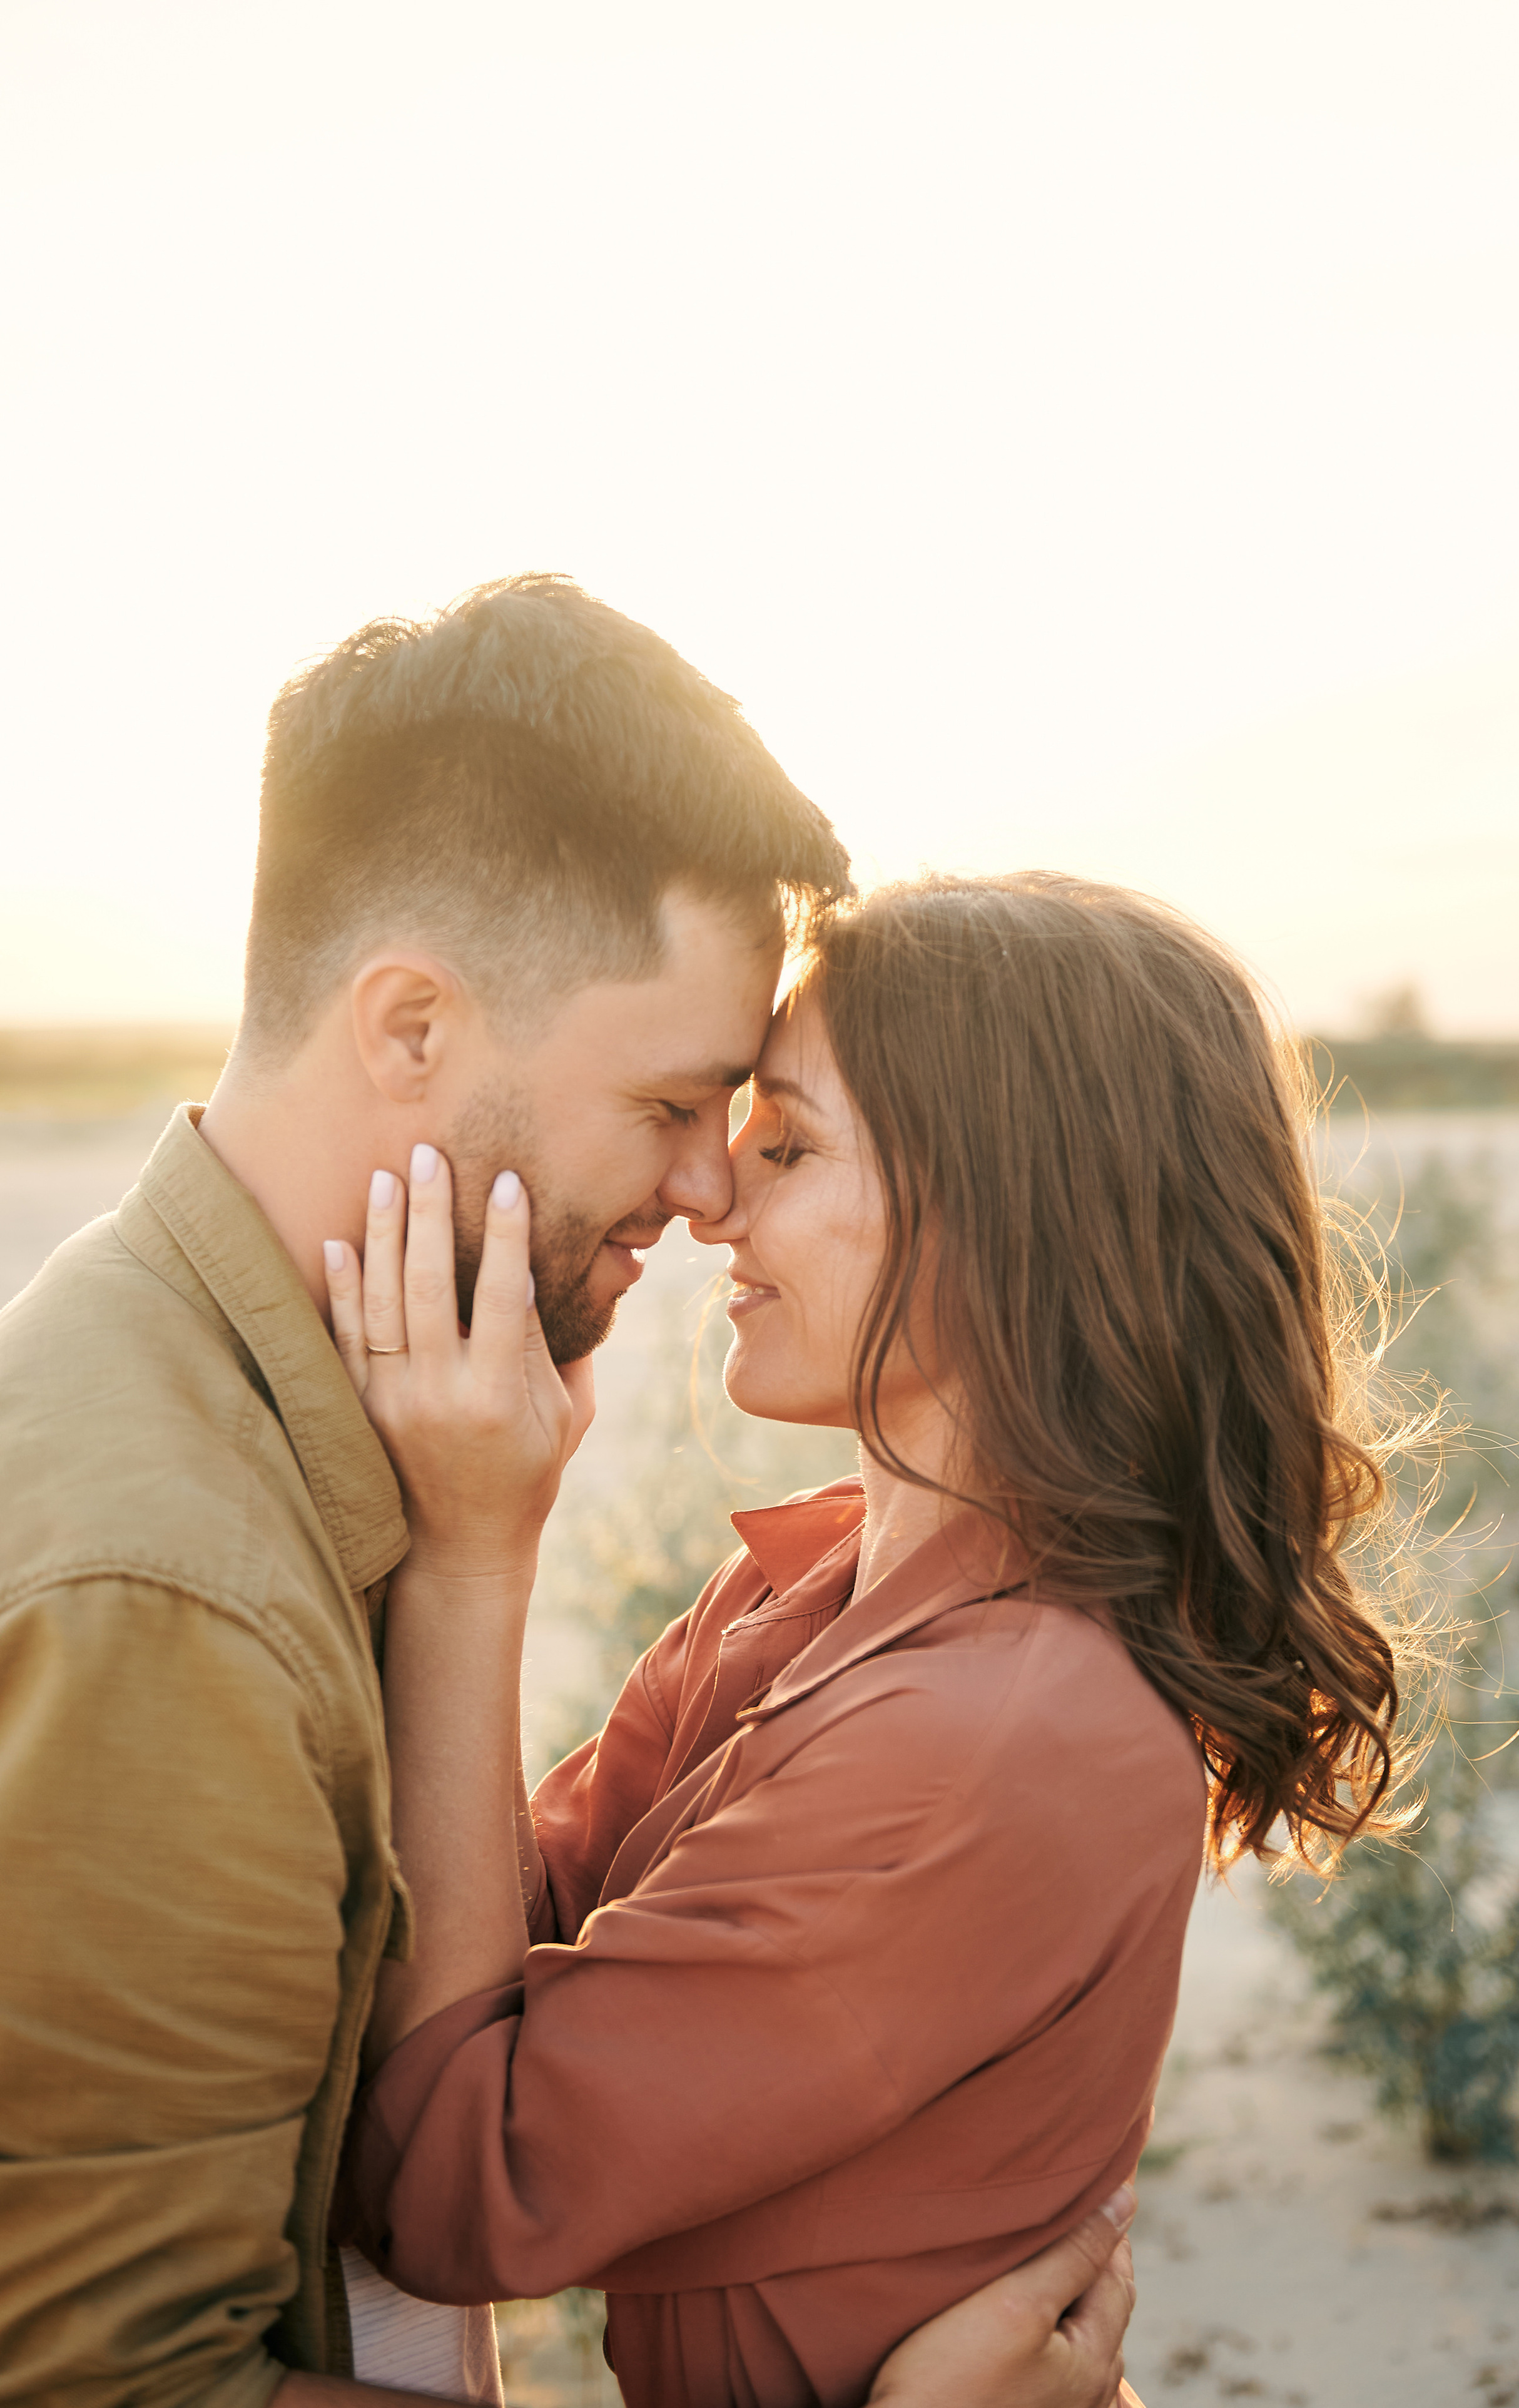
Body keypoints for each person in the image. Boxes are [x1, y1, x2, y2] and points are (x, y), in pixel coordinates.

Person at [0, 580, 1135, 2408]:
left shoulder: (299, 1415)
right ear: (415, 1032)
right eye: (679, 1102)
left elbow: (482, 1977)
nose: (707, 1194)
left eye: (759, 1126)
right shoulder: (170, 1581)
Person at [328, 874, 1411, 2408]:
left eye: (785, 1140)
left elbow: (450, 2175)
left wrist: (470, 1554)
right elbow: (496, 1926)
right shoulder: (816, 1580)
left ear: (1006, 1213)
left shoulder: (993, 1736)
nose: (710, 1195)